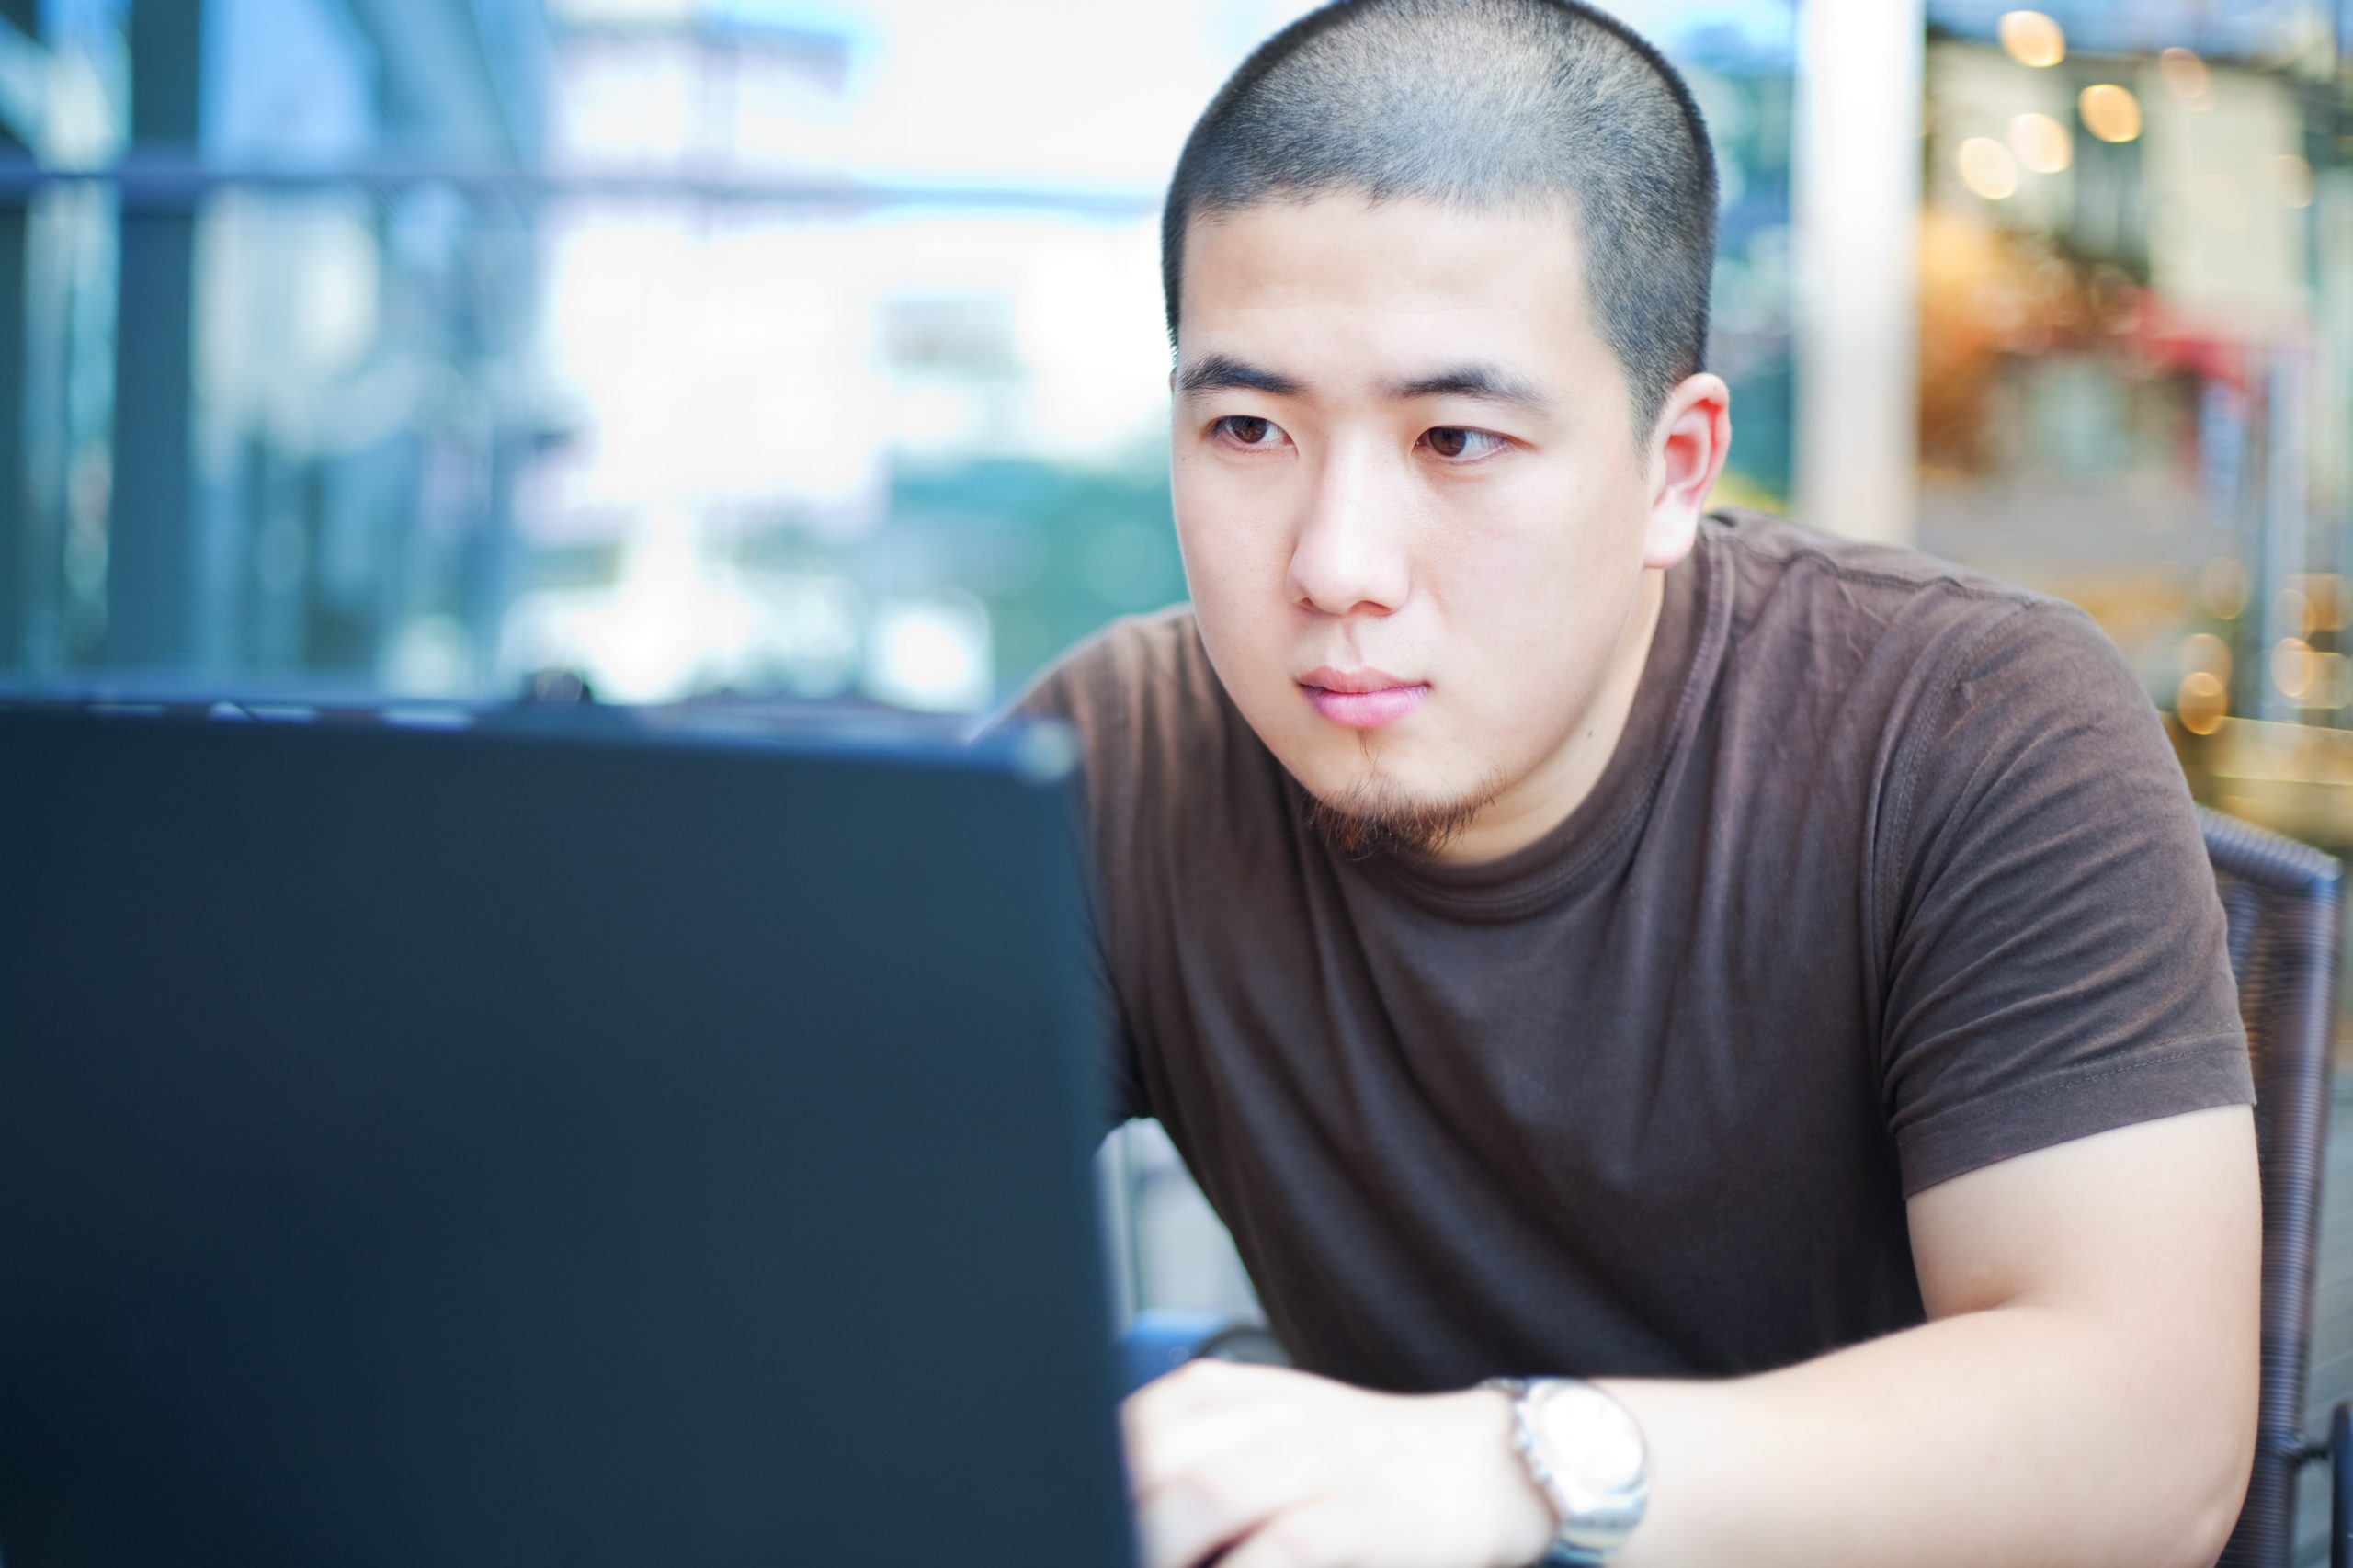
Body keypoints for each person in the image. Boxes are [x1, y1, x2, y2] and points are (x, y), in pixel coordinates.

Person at [1006, 3, 2259, 1563]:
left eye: (1456, 439)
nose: (1333, 564)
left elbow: (2152, 1445)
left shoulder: (1975, 726)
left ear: (1675, 468)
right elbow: (790, 1253)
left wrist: (1517, 1469)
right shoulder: (1120, 755)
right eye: (1250, 426)